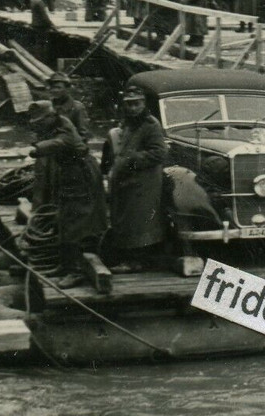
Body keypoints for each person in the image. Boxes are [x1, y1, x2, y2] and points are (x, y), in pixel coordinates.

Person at [26, 100, 108, 285]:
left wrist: (37, 149)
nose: (37, 125)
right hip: (69, 173)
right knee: (63, 218)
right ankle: (65, 265)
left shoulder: (65, 127)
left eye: (40, 121)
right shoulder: (53, 125)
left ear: (50, 116)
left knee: (75, 222)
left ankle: (76, 271)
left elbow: (60, 142)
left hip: (81, 175)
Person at [100, 87, 169, 263]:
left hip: (143, 182)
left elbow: (159, 152)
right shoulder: (129, 123)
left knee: (139, 222)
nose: (132, 108)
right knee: (128, 220)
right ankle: (130, 257)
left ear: (143, 104)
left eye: (136, 104)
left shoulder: (150, 125)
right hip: (129, 179)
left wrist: (132, 160)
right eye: (129, 104)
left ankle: (137, 261)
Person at [47, 71, 91, 141]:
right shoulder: (47, 106)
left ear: (67, 89)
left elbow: (83, 135)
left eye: (58, 87)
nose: (55, 90)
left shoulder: (77, 108)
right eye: (52, 87)